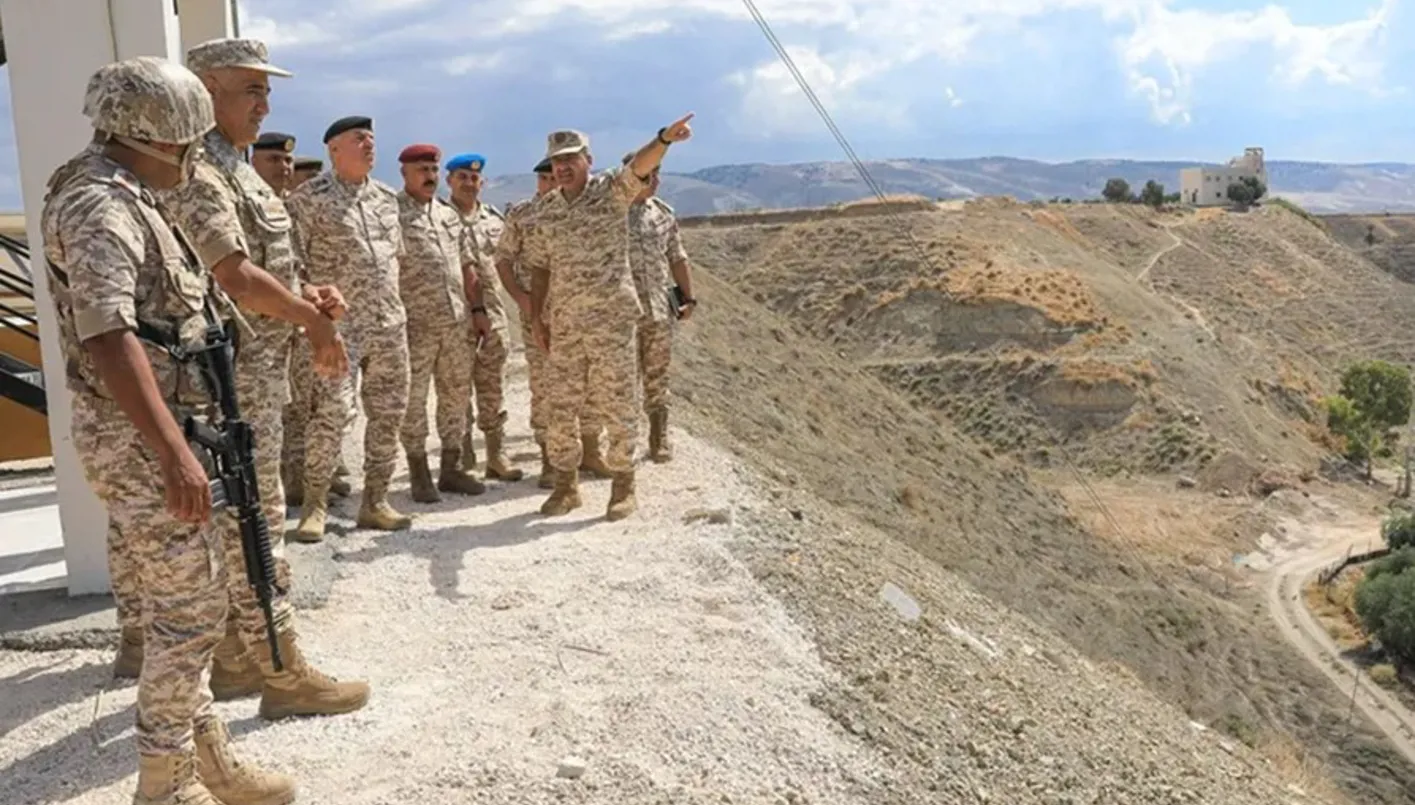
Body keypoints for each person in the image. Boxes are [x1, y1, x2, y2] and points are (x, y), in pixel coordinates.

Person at [42, 55, 335, 805]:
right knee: (190, 612)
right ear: (160, 133)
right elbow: (109, 337)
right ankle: (164, 780)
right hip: (140, 442)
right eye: (187, 140)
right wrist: (174, 453)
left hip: (163, 431)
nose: (192, 155)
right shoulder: (99, 205)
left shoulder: (133, 193)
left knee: (190, 601)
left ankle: (207, 758)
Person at [145, 36, 371, 718]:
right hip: (227, 382)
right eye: (252, 90)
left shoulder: (238, 171)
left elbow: (266, 267)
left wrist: (308, 296)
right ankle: (281, 670)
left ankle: (242, 658)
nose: (265, 104)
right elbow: (234, 276)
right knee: (254, 518)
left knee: (250, 514)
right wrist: (314, 322)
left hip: (258, 376)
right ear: (206, 91)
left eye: (267, 91)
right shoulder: (196, 171)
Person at [528, 115, 694, 520]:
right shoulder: (547, 210)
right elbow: (540, 266)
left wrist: (663, 140)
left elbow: (639, 166)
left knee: (618, 404)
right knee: (560, 407)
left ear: (588, 159)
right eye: (556, 161)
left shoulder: (609, 192)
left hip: (611, 323)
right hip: (566, 324)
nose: (562, 167)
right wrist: (536, 317)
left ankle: (623, 485)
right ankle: (566, 486)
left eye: (571, 159)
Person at [285, 114, 414, 539]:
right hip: (340, 329)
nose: (369, 144)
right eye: (360, 138)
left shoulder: (387, 199)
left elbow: (394, 260)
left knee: (389, 413)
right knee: (332, 413)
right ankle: (315, 505)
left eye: (372, 138)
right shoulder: (309, 199)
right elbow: (290, 266)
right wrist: (313, 306)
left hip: (389, 324)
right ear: (334, 149)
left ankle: (375, 501)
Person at [396, 143, 492, 500]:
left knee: (455, 395)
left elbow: (467, 265)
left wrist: (478, 310)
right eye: (422, 170)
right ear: (405, 173)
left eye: (434, 170)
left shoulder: (447, 215)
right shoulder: (392, 213)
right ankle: (419, 471)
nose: (430, 176)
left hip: (455, 323)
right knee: (414, 399)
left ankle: (451, 468)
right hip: (415, 326)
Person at [445, 152, 522, 482]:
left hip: (493, 315)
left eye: (474, 178)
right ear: (449, 181)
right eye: (462, 177)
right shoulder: (440, 218)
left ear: (483, 182)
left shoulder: (494, 219)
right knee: (456, 389)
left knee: (493, 387)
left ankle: (496, 453)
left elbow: (508, 261)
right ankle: (463, 456)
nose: (469, 183)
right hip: (454, 317)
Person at [620, 151, 697, 462]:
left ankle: (658, 436)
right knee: (622, 378)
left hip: (658, 310)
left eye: (657, 174)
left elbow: (677, 257)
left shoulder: (663, 214)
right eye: (648, 174)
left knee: (658, 374)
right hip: (621, 313)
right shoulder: (609, 214)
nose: (655, 180)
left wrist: (688, 297)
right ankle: (622, 441)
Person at [249, 130, 295, 196]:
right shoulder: (240, 196)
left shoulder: (300, 200)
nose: (284, 166)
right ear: (254, 161)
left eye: (288, 160)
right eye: (275, 159)